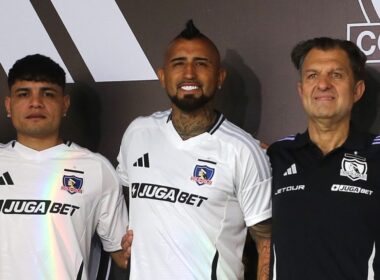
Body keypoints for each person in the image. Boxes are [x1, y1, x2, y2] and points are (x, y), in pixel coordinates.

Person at [117, 20, 272, 280]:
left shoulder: (243, 150)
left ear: (220, 77)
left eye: (201, 64)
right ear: (162, 76)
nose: (189, 74)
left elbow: (266, 240)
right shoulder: (137, 133)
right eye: (178, 64)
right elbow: (125, 195)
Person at [0, 54, 129, 279]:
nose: (36, 103)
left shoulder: (96, 169)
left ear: (65, 104)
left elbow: (121, 254)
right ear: (9, 106)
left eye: (47, 94)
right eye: (24, 94)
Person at [268, 37, 379, 279]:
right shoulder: (276, 156)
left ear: (357, 90)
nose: (323, 84)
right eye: (312, 75)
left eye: (336, 75)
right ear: (301, 91)